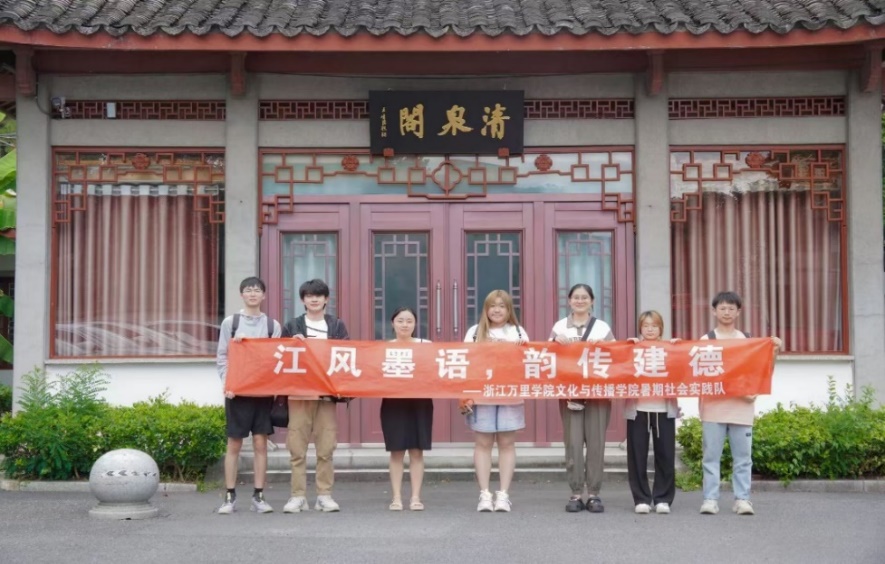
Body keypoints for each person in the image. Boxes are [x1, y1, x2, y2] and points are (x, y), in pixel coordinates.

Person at [698, 291, 782, 516]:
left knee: (743, 459)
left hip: (742, 408)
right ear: (714, 311)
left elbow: (762, 370)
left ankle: (742, 499)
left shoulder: (748, 340)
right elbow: (697, 373)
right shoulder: (706, 340)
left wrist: (774, 351)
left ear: (738, 312)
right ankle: (710, 499)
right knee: (711, 458)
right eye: (722, 308)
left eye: (731, 308)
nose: (726, 312)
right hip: (713, 408)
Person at [282, 279, 350, 513]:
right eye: (309, 295)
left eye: (318, 295)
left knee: (326, 448)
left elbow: (347, 355)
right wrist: (293, 344)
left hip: (326, 396)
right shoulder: (292, 325)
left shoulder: (337, 325)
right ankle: (297, 496)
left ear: (326, 299)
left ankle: (324, 495)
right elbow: (279, 356)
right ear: (303, 299)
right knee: (297, 448)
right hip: (299, 395)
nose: (314, 299)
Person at [216, 276, 283, 515]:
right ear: (241, 294)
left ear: (264, 295)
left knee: (260, 443)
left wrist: (274, 386)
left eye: (257, 290)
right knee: (234, 442)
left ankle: (259, 495)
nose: (253, 294)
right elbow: (222, 356)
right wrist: (228, 384)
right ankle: (229, 496)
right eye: (248, 290)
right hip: (237, 393)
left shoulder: (272, 326)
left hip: (262, 393)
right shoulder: (231, 323)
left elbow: (276, 358)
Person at [548, 283, 615, 514]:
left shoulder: (602, 327)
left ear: (592, 301)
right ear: (569, 300)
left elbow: (618, 358)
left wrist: (605, 346)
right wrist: (555, 343)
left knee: (596, 443)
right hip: (570, 394)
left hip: (598, 394)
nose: (580, 301)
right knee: (573, 444)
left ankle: (594, 493)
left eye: (584, 297)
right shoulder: (559, 327)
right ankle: (576, 492)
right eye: (575, 297)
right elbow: (548, 358)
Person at [462, 290, 528, 513]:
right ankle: (484, 494)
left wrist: (521, 350)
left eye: (502, 306)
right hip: (482, 394)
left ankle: (503, 494)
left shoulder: (518, 331)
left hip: (510, 394)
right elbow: (465, 363)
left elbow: (529, 363)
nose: (497, 310)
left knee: (507, 443)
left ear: (509, 310)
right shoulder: (474, 332)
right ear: (486, 309)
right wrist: (466, 394)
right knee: (483, 443)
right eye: (492, 305)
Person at [625, 310, 679, 515]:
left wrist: (679, 348)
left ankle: (663, 498)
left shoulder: (670, 349)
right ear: (640, 328)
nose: (650, 329)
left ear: (661, 328)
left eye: (654, 326)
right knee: (637, 456)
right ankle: (641, 499)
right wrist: (627, 348)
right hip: (637, 409)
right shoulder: (633, 348)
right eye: (646, 325)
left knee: (665, 455)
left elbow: (683, 367)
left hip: (664, 409)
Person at [380, 307, 433, 511]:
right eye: (400, 320)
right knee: (396, 452)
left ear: (415, 324)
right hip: (394, 403)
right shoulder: (384, 348)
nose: (405, 325)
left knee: (417, 451)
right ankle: (396, 498)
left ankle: (415, 497)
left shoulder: (426, 345)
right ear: (392, 323)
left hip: (420, 402)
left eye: (409, 321)